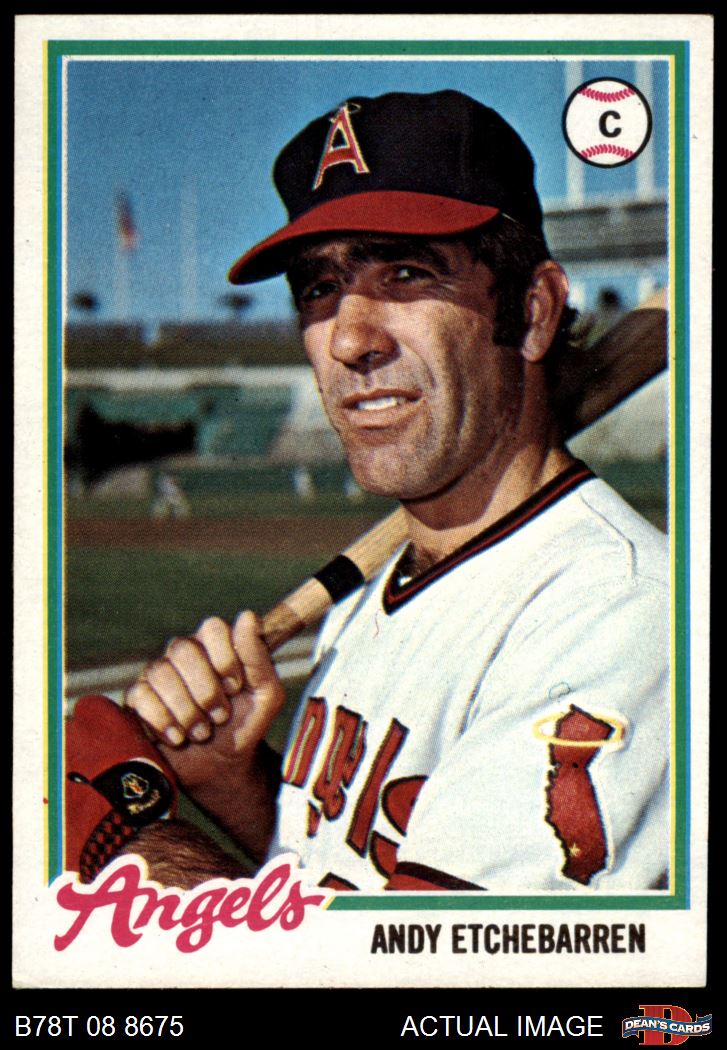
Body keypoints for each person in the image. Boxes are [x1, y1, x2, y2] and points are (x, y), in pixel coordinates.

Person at [70, 90, 669, 893]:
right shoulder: (365, 600)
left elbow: (419, 957)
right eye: (319, 289)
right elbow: (340, 881)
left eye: (406, 273)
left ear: (531, 311)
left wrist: (127, 839)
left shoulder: (620, 612)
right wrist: (235, 783)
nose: (349, 339)